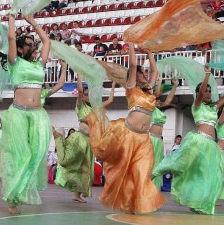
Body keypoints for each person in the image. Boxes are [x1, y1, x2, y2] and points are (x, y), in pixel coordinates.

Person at [85, 44, 166, 214]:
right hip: (128, 134)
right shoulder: (131, 88)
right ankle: (128, 203)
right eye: (140, 72)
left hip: (144, 139)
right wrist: (131, 45)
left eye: (144, 72)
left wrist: (150, 53)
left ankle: (135, 203)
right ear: (132, 76)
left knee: (142, 172)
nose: (144, 73)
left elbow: (155, 72)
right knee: (124, 171)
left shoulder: (149, 91)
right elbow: (134, 65)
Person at [0, 13, 51, 215]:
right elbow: (10, 39)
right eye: (26, 43)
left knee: (37, 153)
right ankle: (12, 197)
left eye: (31, 43)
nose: (31, 46)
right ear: (19, 47)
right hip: (18, 114)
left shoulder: (39, 65)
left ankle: (23, 189)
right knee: (22, 155)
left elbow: (46, 40)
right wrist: (11, 19)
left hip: (37, 115)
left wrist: (31, 21)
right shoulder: (15, 63)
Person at [153, 69, 224, 215]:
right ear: (200, 94)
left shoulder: (214, 108)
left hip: (210, 145)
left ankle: (198, 203)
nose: (208, 93)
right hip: (198, 141)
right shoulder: (197, 105)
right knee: (180, 163)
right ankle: (157, 171)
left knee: (206, 174)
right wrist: (207, 76)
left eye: (210, 91)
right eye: (206, 91)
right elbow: (201, 91)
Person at [52, 77, 113, 203]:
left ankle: (76, 195)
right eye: (86, 94)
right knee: (66, 161)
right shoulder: (80, 106)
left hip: (89, 142)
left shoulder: (95, 108)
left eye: (89, 94)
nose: (88, 96)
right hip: (78, 139)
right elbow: (79, 91)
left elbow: (110, 100)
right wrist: (79, 74)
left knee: (85, 169)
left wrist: (113, 85)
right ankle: (58, 137)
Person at [150, 77, 177, 190]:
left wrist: (175, 86)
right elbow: (155, 95)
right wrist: (159, 81)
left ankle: (154, 188)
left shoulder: (161, 110)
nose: (159, 101)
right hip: (150, 139)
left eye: (160, 100)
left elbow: (169, 99)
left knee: (157, 165)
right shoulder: (151, 108)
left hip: (159, 140)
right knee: (149, 163)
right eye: (157, 100)